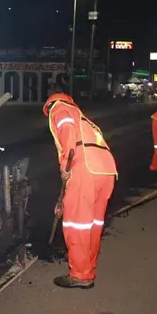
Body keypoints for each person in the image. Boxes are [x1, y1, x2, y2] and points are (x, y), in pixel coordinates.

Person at [44, 92, 118, 289]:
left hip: (85, 169)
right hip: (106, 171)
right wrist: (63, 199)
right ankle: (88, 267)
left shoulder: (59, 109)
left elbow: (69, 141)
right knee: (92, 224)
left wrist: (65, 168)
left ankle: (80, 275)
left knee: (76, 224)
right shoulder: (84, 120)